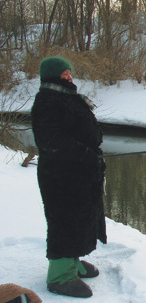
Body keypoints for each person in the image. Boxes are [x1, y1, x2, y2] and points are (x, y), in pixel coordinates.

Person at [30, 56, 107, 298]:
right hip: (60, 177)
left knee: (82, 217)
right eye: (64, 74)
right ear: (51, 76)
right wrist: (83, 153)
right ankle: (59, 275)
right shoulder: (46, 101)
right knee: (64, 220)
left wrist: (91, 154)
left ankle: (72, 262)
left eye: (69, 73)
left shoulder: (66, 97)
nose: (69, 77)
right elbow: (50, 140)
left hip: (80, 174)